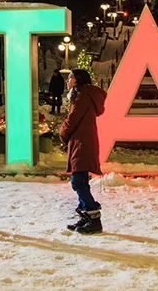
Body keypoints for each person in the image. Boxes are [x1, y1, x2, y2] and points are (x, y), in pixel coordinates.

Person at [59, 68, 107, 234]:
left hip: (82, 142)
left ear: (78, 79)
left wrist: (62, 133)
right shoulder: (85, 94)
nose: (67, 81)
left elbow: (73, 119)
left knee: (77, 182)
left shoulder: (82, 96)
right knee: (81, 181)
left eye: (70, 77)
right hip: (83, 140)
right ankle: (85, 215)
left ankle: (94, 218)